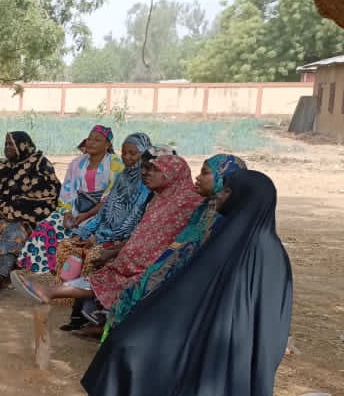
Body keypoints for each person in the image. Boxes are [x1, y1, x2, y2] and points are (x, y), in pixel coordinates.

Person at [81, 170, 291, 396]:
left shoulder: (268, 255)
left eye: (227, 192)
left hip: (229, 344)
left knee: (140, 345)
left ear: (245, 199)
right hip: (193, 327)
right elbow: (185, 290)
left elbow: (269, 320)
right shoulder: (223, 236)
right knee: (129, 340)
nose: (219, 195)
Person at [12, 155, 203, 310]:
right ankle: (55, 294)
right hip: (127, 257)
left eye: (155, 170)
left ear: (172, 174)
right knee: (92, 263)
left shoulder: (189, 203)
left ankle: (54, 294)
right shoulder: (159, 199)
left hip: (154, 267)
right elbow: (134, 230)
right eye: (147, 168)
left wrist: (111, 246)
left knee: (112, 275)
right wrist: (100, 241)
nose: (146, 173)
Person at [104, 153, 246, 336]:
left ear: (224, 178)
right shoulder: (204, 209)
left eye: (205, 173)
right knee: (138, 288)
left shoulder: (223, 217)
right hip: (173, 266)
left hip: (193, 280)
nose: (197, 177)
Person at [55, 132, 154, 332]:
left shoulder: (145, 184)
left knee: (93, 256)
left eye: (133, 153)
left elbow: (133, 221)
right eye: (124, 153)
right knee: (68, 246)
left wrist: (99, 238)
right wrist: (84, 232)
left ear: (143, 154)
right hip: (103, 233)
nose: (127, 157)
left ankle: (88, 316)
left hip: (122, 238)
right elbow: (105, 210)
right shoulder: (122, 178)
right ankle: (72, 308)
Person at [17, 125, 123, 275]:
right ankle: (44, 268)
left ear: (107, 145)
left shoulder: (115, 163)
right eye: (90, 139)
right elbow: (68, 189)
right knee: (47, 226)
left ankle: (64, 271)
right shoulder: (77, 163)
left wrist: (86, 215)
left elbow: (111, 197)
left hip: (100, 212)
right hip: (76, 208)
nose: (91, 142)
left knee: (79, 236)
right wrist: (67, 212)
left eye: (97, 140)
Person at [0, 131, 60, 293]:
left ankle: (5, 275)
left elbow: (47, 195)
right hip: (2, 211)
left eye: (11, 144)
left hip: (30, 216)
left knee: (13, 233)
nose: (7, 147)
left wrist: (11, 210)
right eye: (6, 144)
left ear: (23, 145)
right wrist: (2, 208)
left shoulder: (39, 164)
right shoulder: (6, 167)